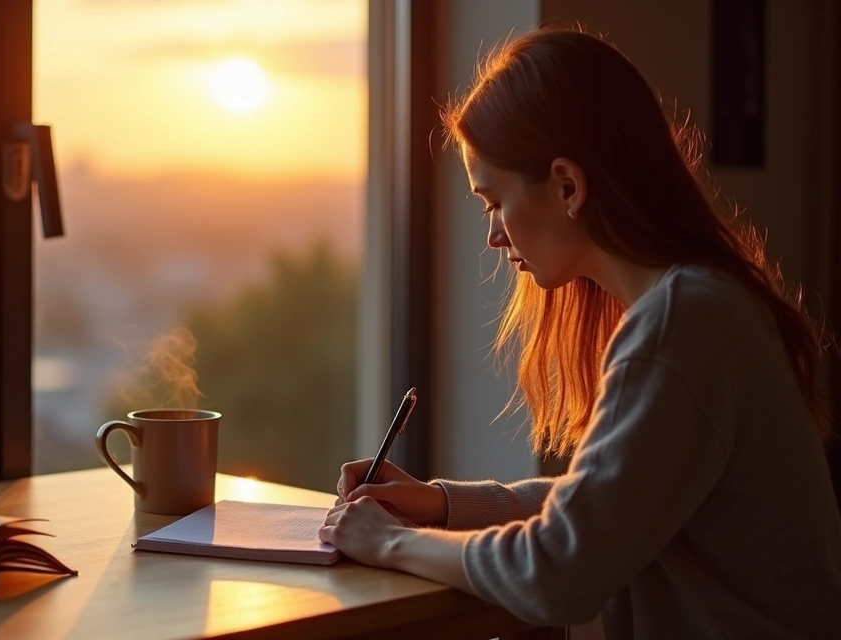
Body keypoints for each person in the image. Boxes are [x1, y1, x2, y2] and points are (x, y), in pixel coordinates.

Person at [317, 26, 841, 638]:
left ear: (567, 185)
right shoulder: (700, 305)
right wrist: (443, 505)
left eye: (493, 202)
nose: (493, 236)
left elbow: (558, 572)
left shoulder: (683, 324)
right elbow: (603, 509)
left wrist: (390, 546)